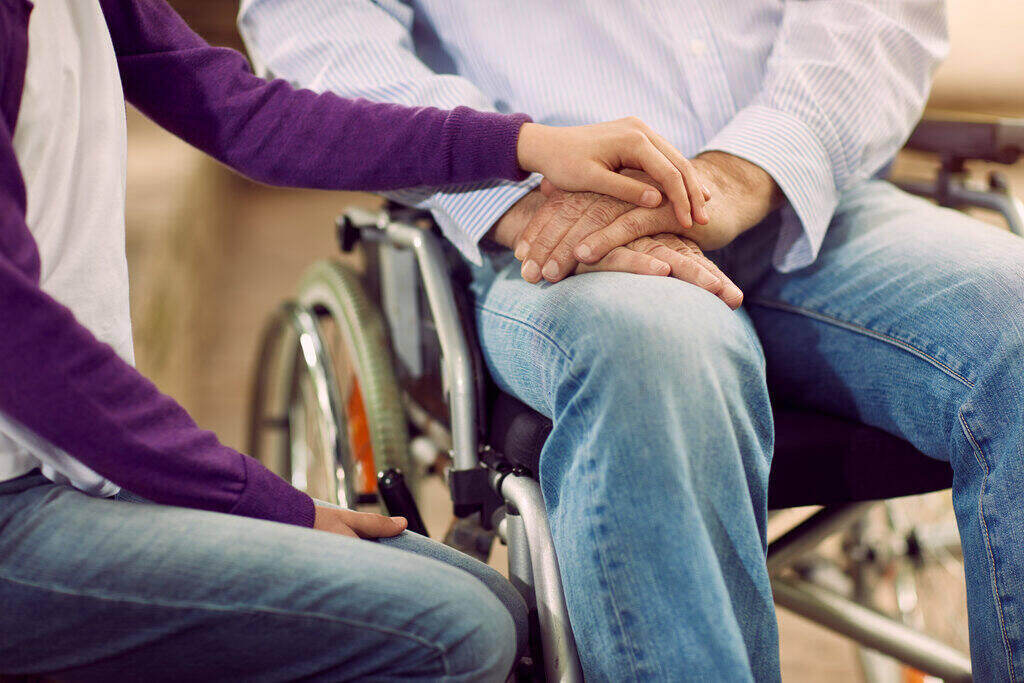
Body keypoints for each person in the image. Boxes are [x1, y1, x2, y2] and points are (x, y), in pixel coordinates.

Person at [240, 1, 1024, 681]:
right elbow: (313, 19)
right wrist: (512, 180)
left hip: (799, 194)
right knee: (655, 355)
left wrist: (753, 165)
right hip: (544, 219)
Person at [0, 0, 713, 679]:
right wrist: (263, 500)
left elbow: (245, 114)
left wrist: (524, 145)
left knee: (493, 600)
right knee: (457, 631)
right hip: (17, 503)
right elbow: (20, 345)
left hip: (58, 468)